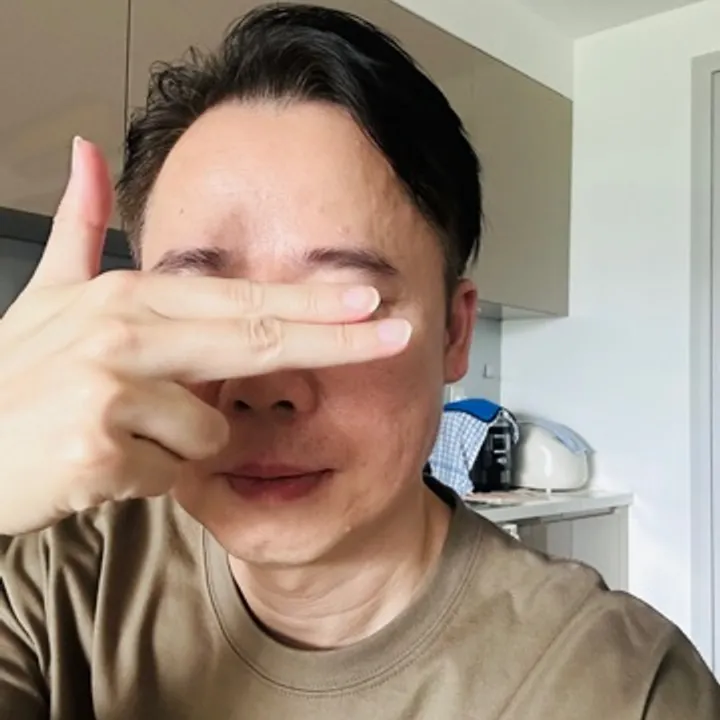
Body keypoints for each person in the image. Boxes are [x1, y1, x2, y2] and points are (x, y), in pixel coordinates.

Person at [0, 4, 717, 718]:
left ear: (453, 334)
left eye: (345, 305)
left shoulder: (619, 686)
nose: (262, 386)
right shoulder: (58, 577)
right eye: (201, 303)